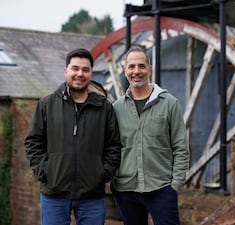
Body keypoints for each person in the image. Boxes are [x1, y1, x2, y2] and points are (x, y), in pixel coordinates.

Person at [24, 48, 122, 225]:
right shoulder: (47, 104)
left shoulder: (104, 108)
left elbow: (114, 146)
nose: (80, 74)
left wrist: (102, 173)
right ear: (66, 71)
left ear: (91, 72)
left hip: (92, 196)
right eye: (75, 68)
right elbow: (33, 142)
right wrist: (45, 171)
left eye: (85, 70)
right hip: (54, 193)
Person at [111, 46, 190, 225]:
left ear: (149, 68)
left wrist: (174, 186)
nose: (136, 71)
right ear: (125, 70)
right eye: (131, 67)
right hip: (126, 190)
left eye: (141, 66)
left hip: (161, 188)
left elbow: (181, 147)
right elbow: (111, 148)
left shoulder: (169, 103)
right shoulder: (117, 108)